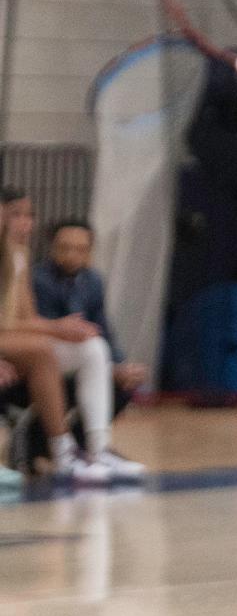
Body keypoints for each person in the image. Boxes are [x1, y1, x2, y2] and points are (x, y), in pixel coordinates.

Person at [0, 189, 144, 482]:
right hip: (11, 341)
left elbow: (24, 318)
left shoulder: (18, 253)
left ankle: (96, 449)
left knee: (93, 348)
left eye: (29, 215)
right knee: (42, 350)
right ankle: (61, 449)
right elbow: (7, 321)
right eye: (15, 214)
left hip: (15, 339)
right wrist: (57, 328)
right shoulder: (37, 271)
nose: (24, 222)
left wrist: (64, 328)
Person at [33, 219, 147, 445]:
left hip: (85, 355)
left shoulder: (93, 281)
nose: (71, 255)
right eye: (64, 248)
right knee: (95, 351)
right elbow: (39, 330)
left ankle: (89, 448)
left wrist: (120, 365)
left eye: (80, 249)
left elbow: (103, 328)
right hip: (47, 357)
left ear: (89, 251)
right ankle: (70, 446)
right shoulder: (38, 279)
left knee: (121, 379)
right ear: (52, 247)